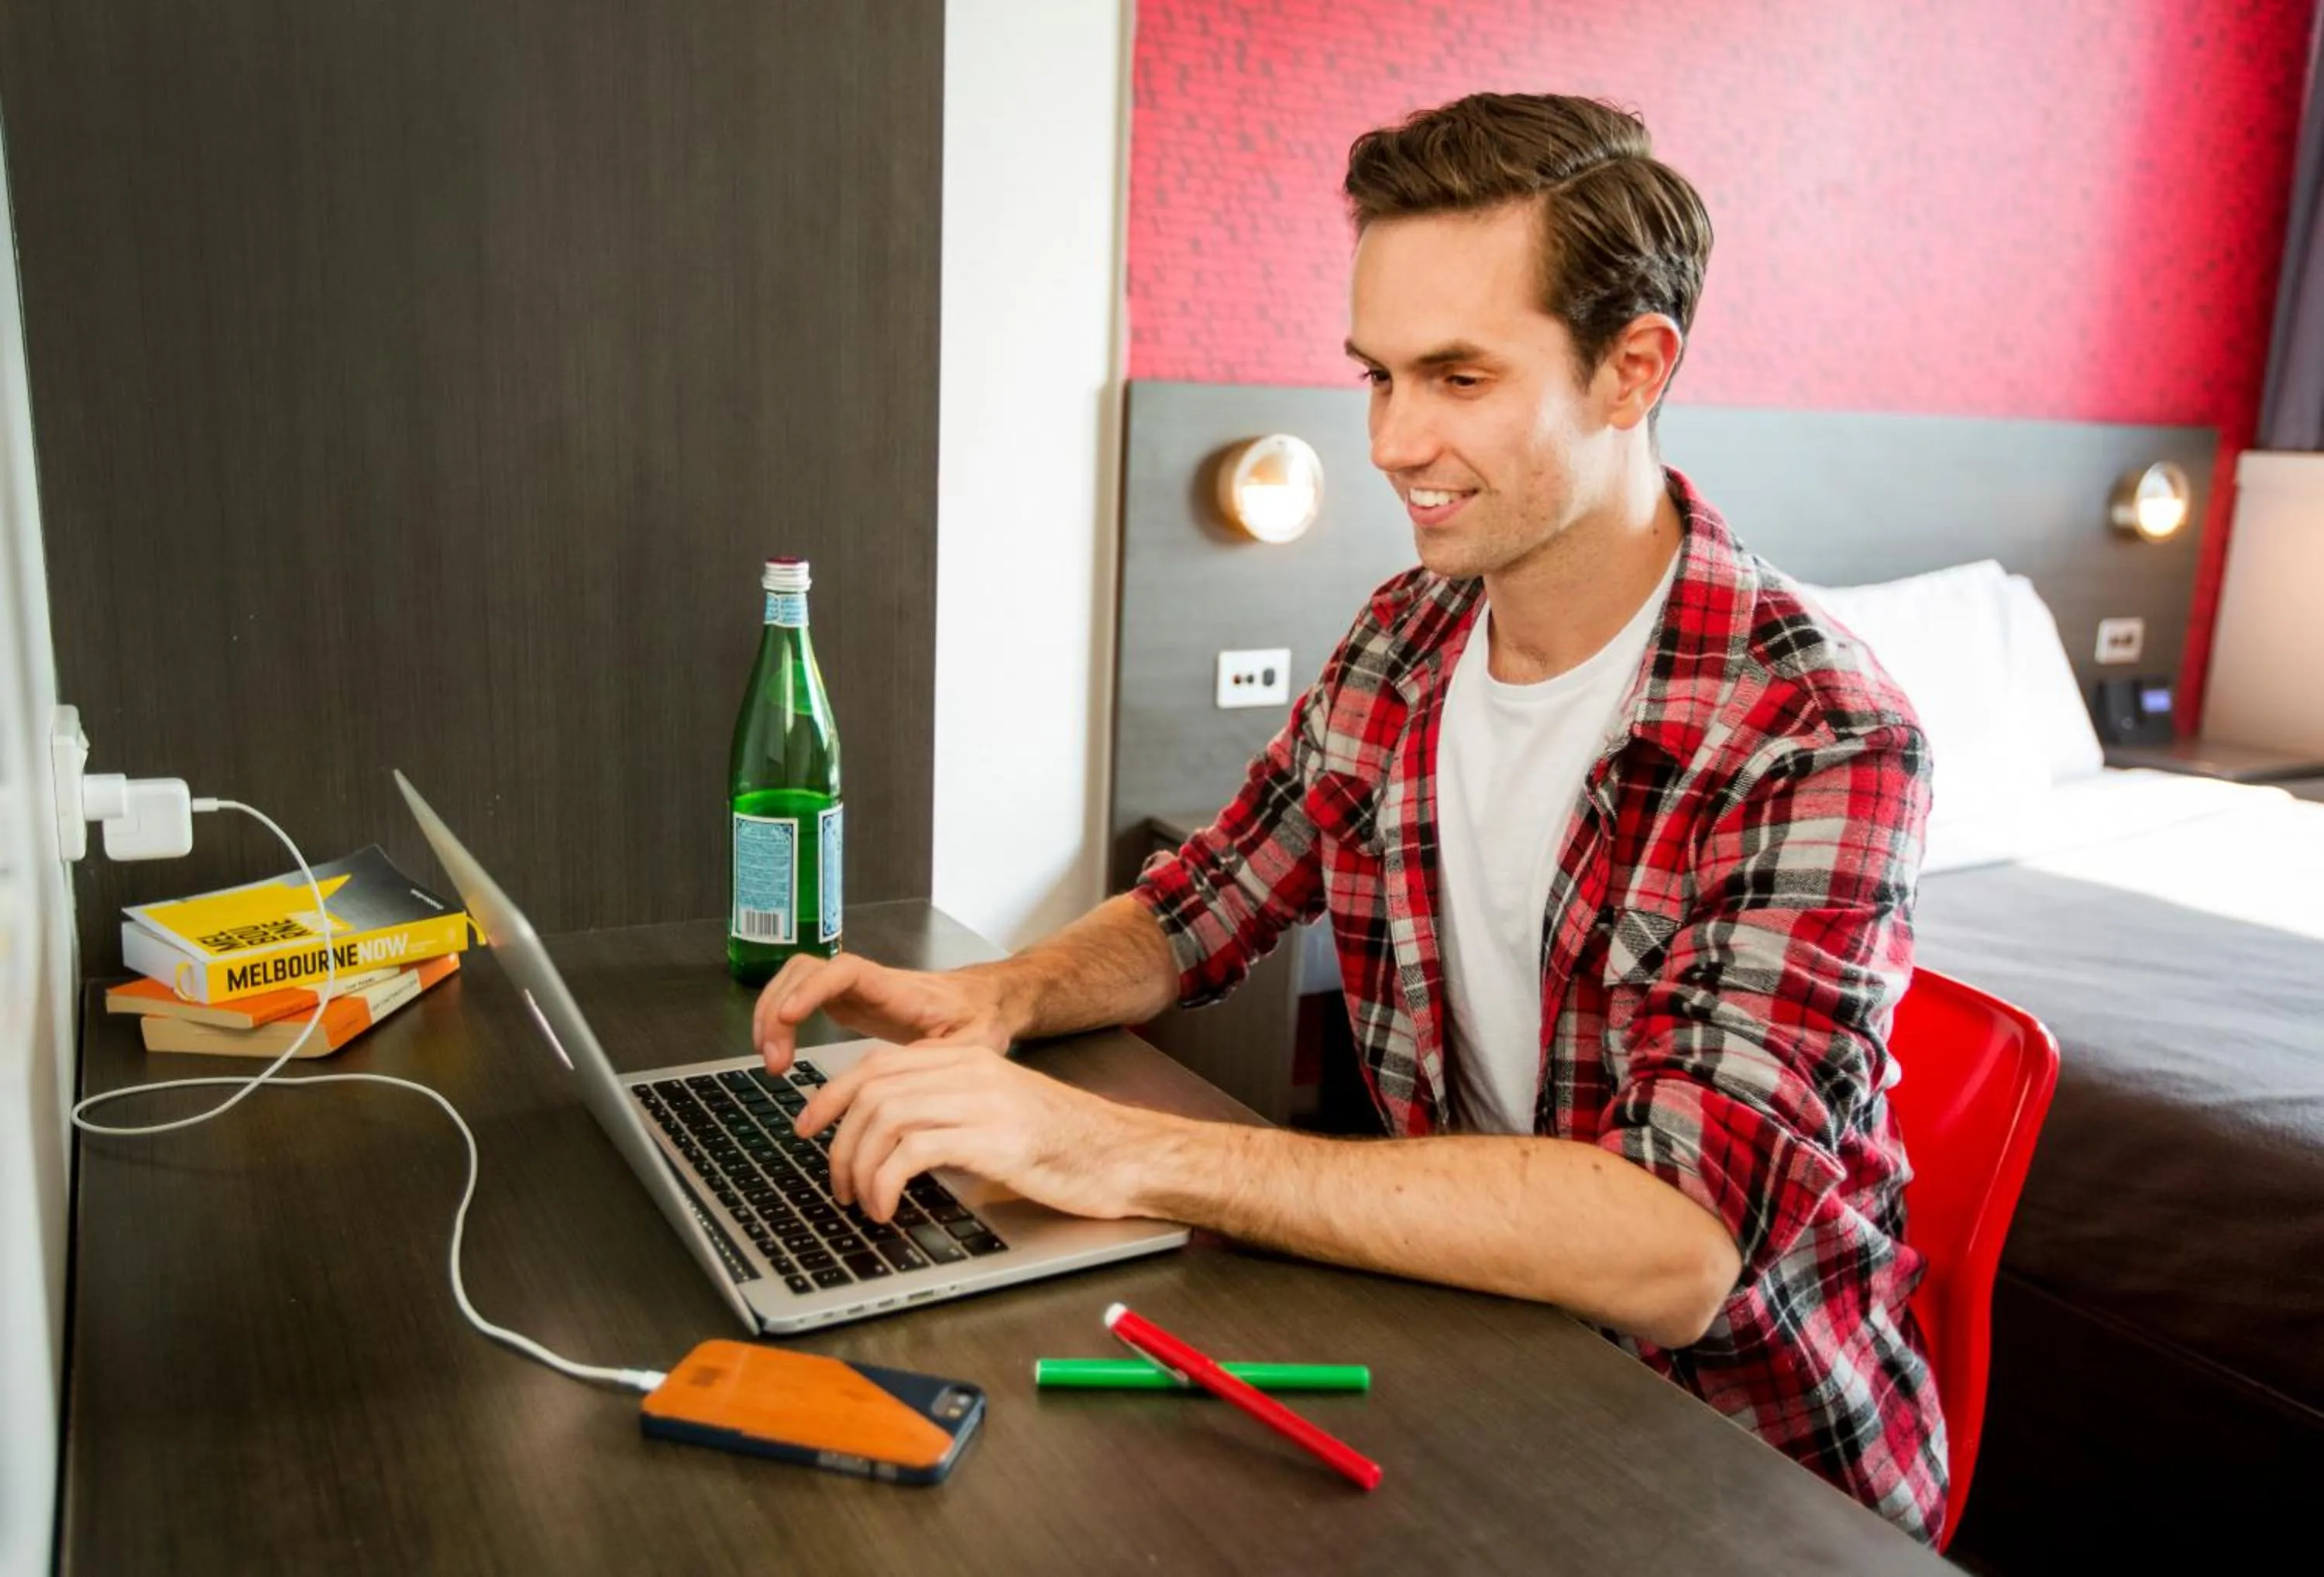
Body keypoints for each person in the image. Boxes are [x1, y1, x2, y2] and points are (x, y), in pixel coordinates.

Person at [755, 92, 1946, 1543]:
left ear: (1633, 369)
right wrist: (990, 1000)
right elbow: (1200, 906)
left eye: (1456, 377)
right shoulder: (1405, 637)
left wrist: (1119, 1148)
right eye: (1377, 375)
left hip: (1735, 1470)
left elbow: (1675, 1250)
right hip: (1472, 1357)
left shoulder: (1814, 730)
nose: (1393, 441)